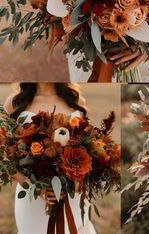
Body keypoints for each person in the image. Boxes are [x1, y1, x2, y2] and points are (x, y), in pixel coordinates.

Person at [4, 83, 96, 234]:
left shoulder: (75, 100)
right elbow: (2, 156)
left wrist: (82, 176)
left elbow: (89, 147)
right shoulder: (14, 102)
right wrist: (30, 184)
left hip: (72, 196)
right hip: (32, 199)